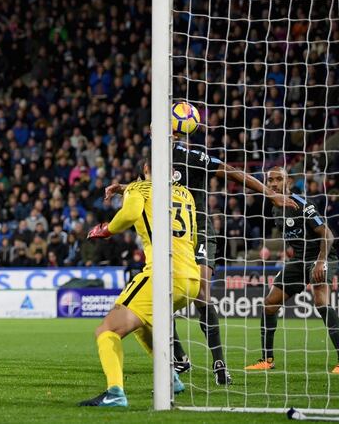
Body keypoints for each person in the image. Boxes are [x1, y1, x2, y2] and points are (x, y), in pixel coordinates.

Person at [105, 132, 296, 385]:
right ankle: (179, 358)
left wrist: (268, 194)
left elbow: (231, 172)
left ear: (176, 130)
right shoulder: (153, 160)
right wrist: (124, 188)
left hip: (200, 230)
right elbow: (146, 186)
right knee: (161, 295)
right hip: (168, 234)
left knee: (202, 294)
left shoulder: (190, 155)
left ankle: (219, 364)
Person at [79, 158, 200, 407]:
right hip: (191, 278)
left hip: (163, 274)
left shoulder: (138, 188)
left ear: (145, 169)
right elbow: (195, 237)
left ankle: (114, 394)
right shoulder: (186, 194)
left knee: (107, 331)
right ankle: (171, 378)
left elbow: (131, 212)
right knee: (140, 323)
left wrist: (106, 229)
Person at [245, 166, 339, 373]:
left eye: (279, 179)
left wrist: (320, 261)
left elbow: (327, 234)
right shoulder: (274, 206)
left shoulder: (301, 204)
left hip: (321, 256)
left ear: (288, 182)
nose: (274, 183)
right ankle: (267, 360)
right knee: (269, 304)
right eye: (271, 180)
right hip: (298, 259)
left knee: (320, 300)